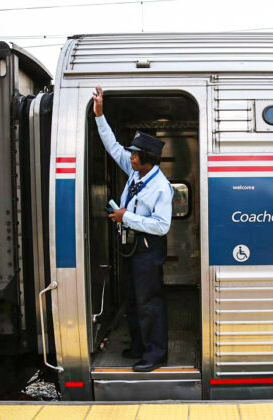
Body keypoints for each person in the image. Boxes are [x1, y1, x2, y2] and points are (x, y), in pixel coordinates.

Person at [92, 85, 173, 372]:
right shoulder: (135, 171)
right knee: (134, 299)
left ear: (148, 158)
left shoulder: (160, 187)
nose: (130, 155)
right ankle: (139, 346)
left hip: (148, 250)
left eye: (136, 153)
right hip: (131, 247)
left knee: (149, 302)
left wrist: (126, 217)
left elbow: (162, 226)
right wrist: (100, 116)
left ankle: (156, 354)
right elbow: (113, 147)